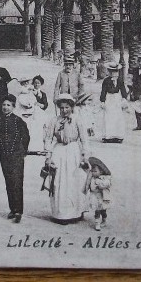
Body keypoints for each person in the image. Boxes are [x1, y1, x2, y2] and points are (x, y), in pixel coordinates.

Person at [44, 93, 90, 224]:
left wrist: (85, 155)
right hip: (59, 151)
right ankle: (60, 213)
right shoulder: (54, 120)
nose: (64, 110)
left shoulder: (77, 120)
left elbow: (84, 139)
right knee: (59, 181)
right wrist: (48, 155)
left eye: (67, 107)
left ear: (72, 107)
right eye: (62, 108)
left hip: (73, 151)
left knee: (74, 181)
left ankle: (76, 212)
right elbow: (48, 138)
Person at [0, 93, 30, 223]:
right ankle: (12, 209)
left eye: (8, 105)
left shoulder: (18, 121)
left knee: (17, 182)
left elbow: (26, 137)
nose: (5, 107)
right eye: (4, 105)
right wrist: (3, 149)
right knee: (8, 182)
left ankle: (19, 211)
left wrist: (22, 151)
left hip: (17, 156)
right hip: (4, 156)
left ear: (13, 107)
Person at [99, 63, 128, 143]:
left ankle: (118, 136)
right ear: (109, 72)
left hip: (116, 100)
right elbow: (103, 91)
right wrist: (102, 101)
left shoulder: (120, 80)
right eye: (112, 72)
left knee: (118, 117)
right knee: (109, 117)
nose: (115, 74)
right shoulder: (106, 80)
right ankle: (108, 136)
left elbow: (123, 90)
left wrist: (124, 98)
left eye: (116, 72)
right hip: (109, 99)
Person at [83, 156, 112, 232]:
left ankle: (104, 220)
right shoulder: (91, 177)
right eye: (92, 171)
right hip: (94, 197)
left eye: (95, 171)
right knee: (97, 210)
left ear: (101, 172)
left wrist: (101, 184)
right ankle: (97, 223)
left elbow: (108, 183)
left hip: (102, 197)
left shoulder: (104, 178)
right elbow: (87, 178)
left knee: (103, 210)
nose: (93, 173)